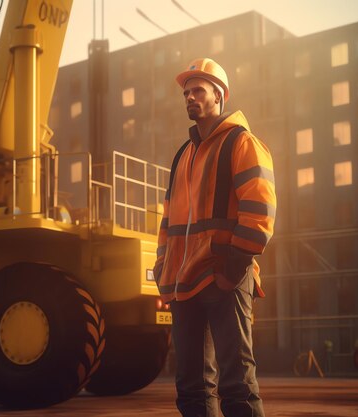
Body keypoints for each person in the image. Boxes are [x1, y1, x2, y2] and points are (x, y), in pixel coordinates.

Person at [154, 58, 276, 417]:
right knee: (191, 389)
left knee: (236, 385)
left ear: (219, 95)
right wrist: (163, 270)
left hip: (225, 277)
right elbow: (168, 220)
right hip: (183, 285)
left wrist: (231, 270)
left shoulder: (243, 143)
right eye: (186, 92)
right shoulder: (183, 155)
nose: (189, 97)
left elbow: (260, 214)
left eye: (198, 90)